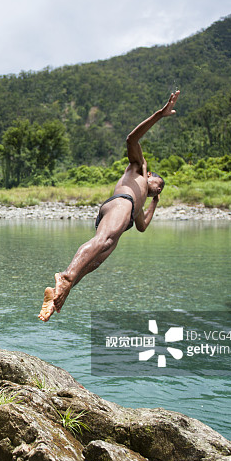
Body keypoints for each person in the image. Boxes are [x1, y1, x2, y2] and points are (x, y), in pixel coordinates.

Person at [39, 91, 180, 322]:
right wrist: (159, 115)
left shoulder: (143, 199)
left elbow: (142, 225)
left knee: (94, 262)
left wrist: (154, 202)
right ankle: (65, 277)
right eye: (158, 183)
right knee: (103, 240)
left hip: (124, 215)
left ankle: (57, 295)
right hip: (120, 204)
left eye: (161, 189)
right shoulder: (139, 167)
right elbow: (131, 139)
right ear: (151, 175)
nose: (159, 188)